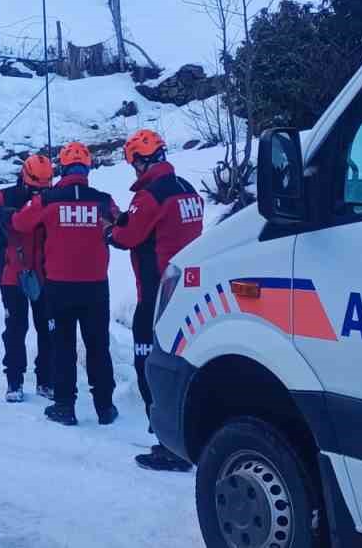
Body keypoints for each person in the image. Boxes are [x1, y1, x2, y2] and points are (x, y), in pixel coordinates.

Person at [109, 130, 204, 473]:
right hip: (189, 290)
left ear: (141, 160)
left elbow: (127, 236)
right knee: (184, 364)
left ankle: (168, 443)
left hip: (156, 293)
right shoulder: (188, 190)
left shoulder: (149, 196)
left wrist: (112, 231)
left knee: (150, 365)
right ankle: (189, 434)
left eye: (134, 162)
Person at [11, 142, 118, 427]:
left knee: (63, 346)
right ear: (87, 168)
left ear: (62, 167)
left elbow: (20, 224)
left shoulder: (48, 200)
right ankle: (105, 407)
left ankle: (64, 406)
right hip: (96, 286)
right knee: (98, 346)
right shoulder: (103, 200)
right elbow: (120, 228)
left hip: (59, 286)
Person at [0, 155, 54, 402]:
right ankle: (14, 380)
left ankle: (46, 380)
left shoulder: (52, 197)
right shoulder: (5, 195)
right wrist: (0, 214)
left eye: (43, 188)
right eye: (34, 187)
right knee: (16, 329)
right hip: (12, 273)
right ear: (24, 177)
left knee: (48, 329)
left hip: (45, 273)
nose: (38, 193)